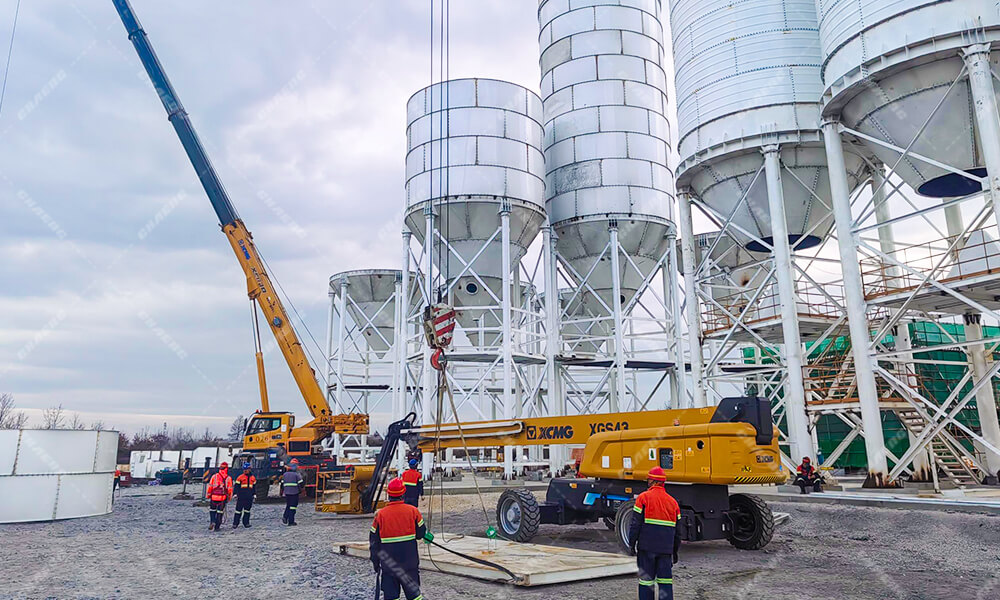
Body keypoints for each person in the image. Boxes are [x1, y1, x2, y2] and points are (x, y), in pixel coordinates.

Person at [370, 478, 433, 600]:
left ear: (388, 494)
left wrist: (375, 562)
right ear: (403, 493)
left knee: (391, 597)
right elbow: (421, 533)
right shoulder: (413, 511)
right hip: (410, 564)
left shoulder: (380, 515)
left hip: (389, 565)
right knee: (415, 597)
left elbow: (374, 542)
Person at [628, 466, 680, 600]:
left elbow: (635, 524)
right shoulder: (673, 503)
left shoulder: (643, 498)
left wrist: (631, 544)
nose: (647, 482)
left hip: (646, 549)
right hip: (665, 550)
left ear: (653, 481)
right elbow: (678, 532)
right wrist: (674, 551)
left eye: (649, 480)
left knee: (646, 582)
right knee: (665, 583)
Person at [206, 462, 233, 531]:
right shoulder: (228, 478)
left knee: (212, 510)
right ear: (226, 469)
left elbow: (210, 487)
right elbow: (230, 489)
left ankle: (212, 521)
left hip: (214, 497)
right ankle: (217, 527)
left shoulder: (214, 476)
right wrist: (229, 498)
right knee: (220, 512)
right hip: (222, 498)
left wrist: (208, 495)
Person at [232, 463, 257, 528]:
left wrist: (254, 494)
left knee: (247, 511)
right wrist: (235, 494)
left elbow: (254, 487)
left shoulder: (253, 478)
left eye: (246, 469)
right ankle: (235, 523)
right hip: (241, 497)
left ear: (249, 469)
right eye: (244, 469)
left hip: (249, 497)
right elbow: (236, 487)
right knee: (238, 511)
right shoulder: (240, 477)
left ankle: (246, 523)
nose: (245, 470)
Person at [281, 460, 304, 526]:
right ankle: (291, 521)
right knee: (293, 507)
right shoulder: (296, 475)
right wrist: (301, 489)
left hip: (287, 493)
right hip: (294, 492)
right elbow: (301, 484)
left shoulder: (285, 475)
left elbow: (282, 485)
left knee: (288, 505)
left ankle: (285, 516)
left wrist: (283, 491)